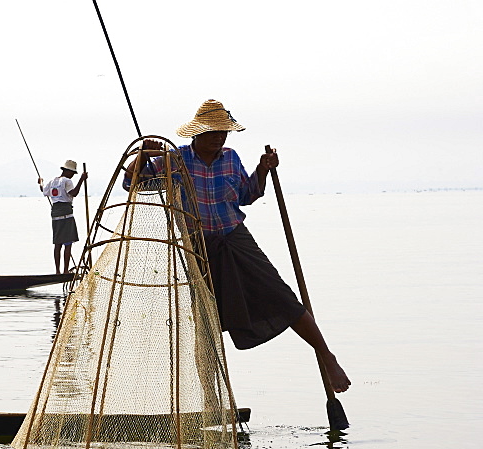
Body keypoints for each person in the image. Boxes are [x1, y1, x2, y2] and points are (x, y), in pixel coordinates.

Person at [123, 99, 351, 393]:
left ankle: (327, 357)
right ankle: (210, 396)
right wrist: (142, 156)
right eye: (213, 132)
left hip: (235, 237)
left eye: (223, 132)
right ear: (197, 133)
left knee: (282, 297)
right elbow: (133, 184)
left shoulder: (230, 158)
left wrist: (263, 170)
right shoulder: (174, 160)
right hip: (198, 246)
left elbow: (246, 194)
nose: (219, 137)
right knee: (206, 320)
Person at [39, 160, 88, 274]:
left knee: (58, 243)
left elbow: (43, 190)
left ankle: (57, 271)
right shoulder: (67, 181)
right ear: (67, 171)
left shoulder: (52, 181)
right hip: (66, 214)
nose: (72, 175)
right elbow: (73, 193)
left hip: (55, 215)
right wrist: (82, 179)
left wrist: (40, 182)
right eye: (72, 173)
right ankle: (65, 271)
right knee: (67, 243)